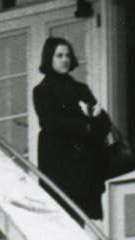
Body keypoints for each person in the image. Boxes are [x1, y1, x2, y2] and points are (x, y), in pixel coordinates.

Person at [32, 36, 105, 220]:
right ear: (49, 58)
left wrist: (93, 120)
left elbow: (102, 123)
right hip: (59, 167)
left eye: (67, 55)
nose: (65, 59)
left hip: (84, 167)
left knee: (81, 220)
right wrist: (85, 123)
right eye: (59, 55)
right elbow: (50, 123)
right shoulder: (43, 90)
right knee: (62, 221)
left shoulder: (81, 89)